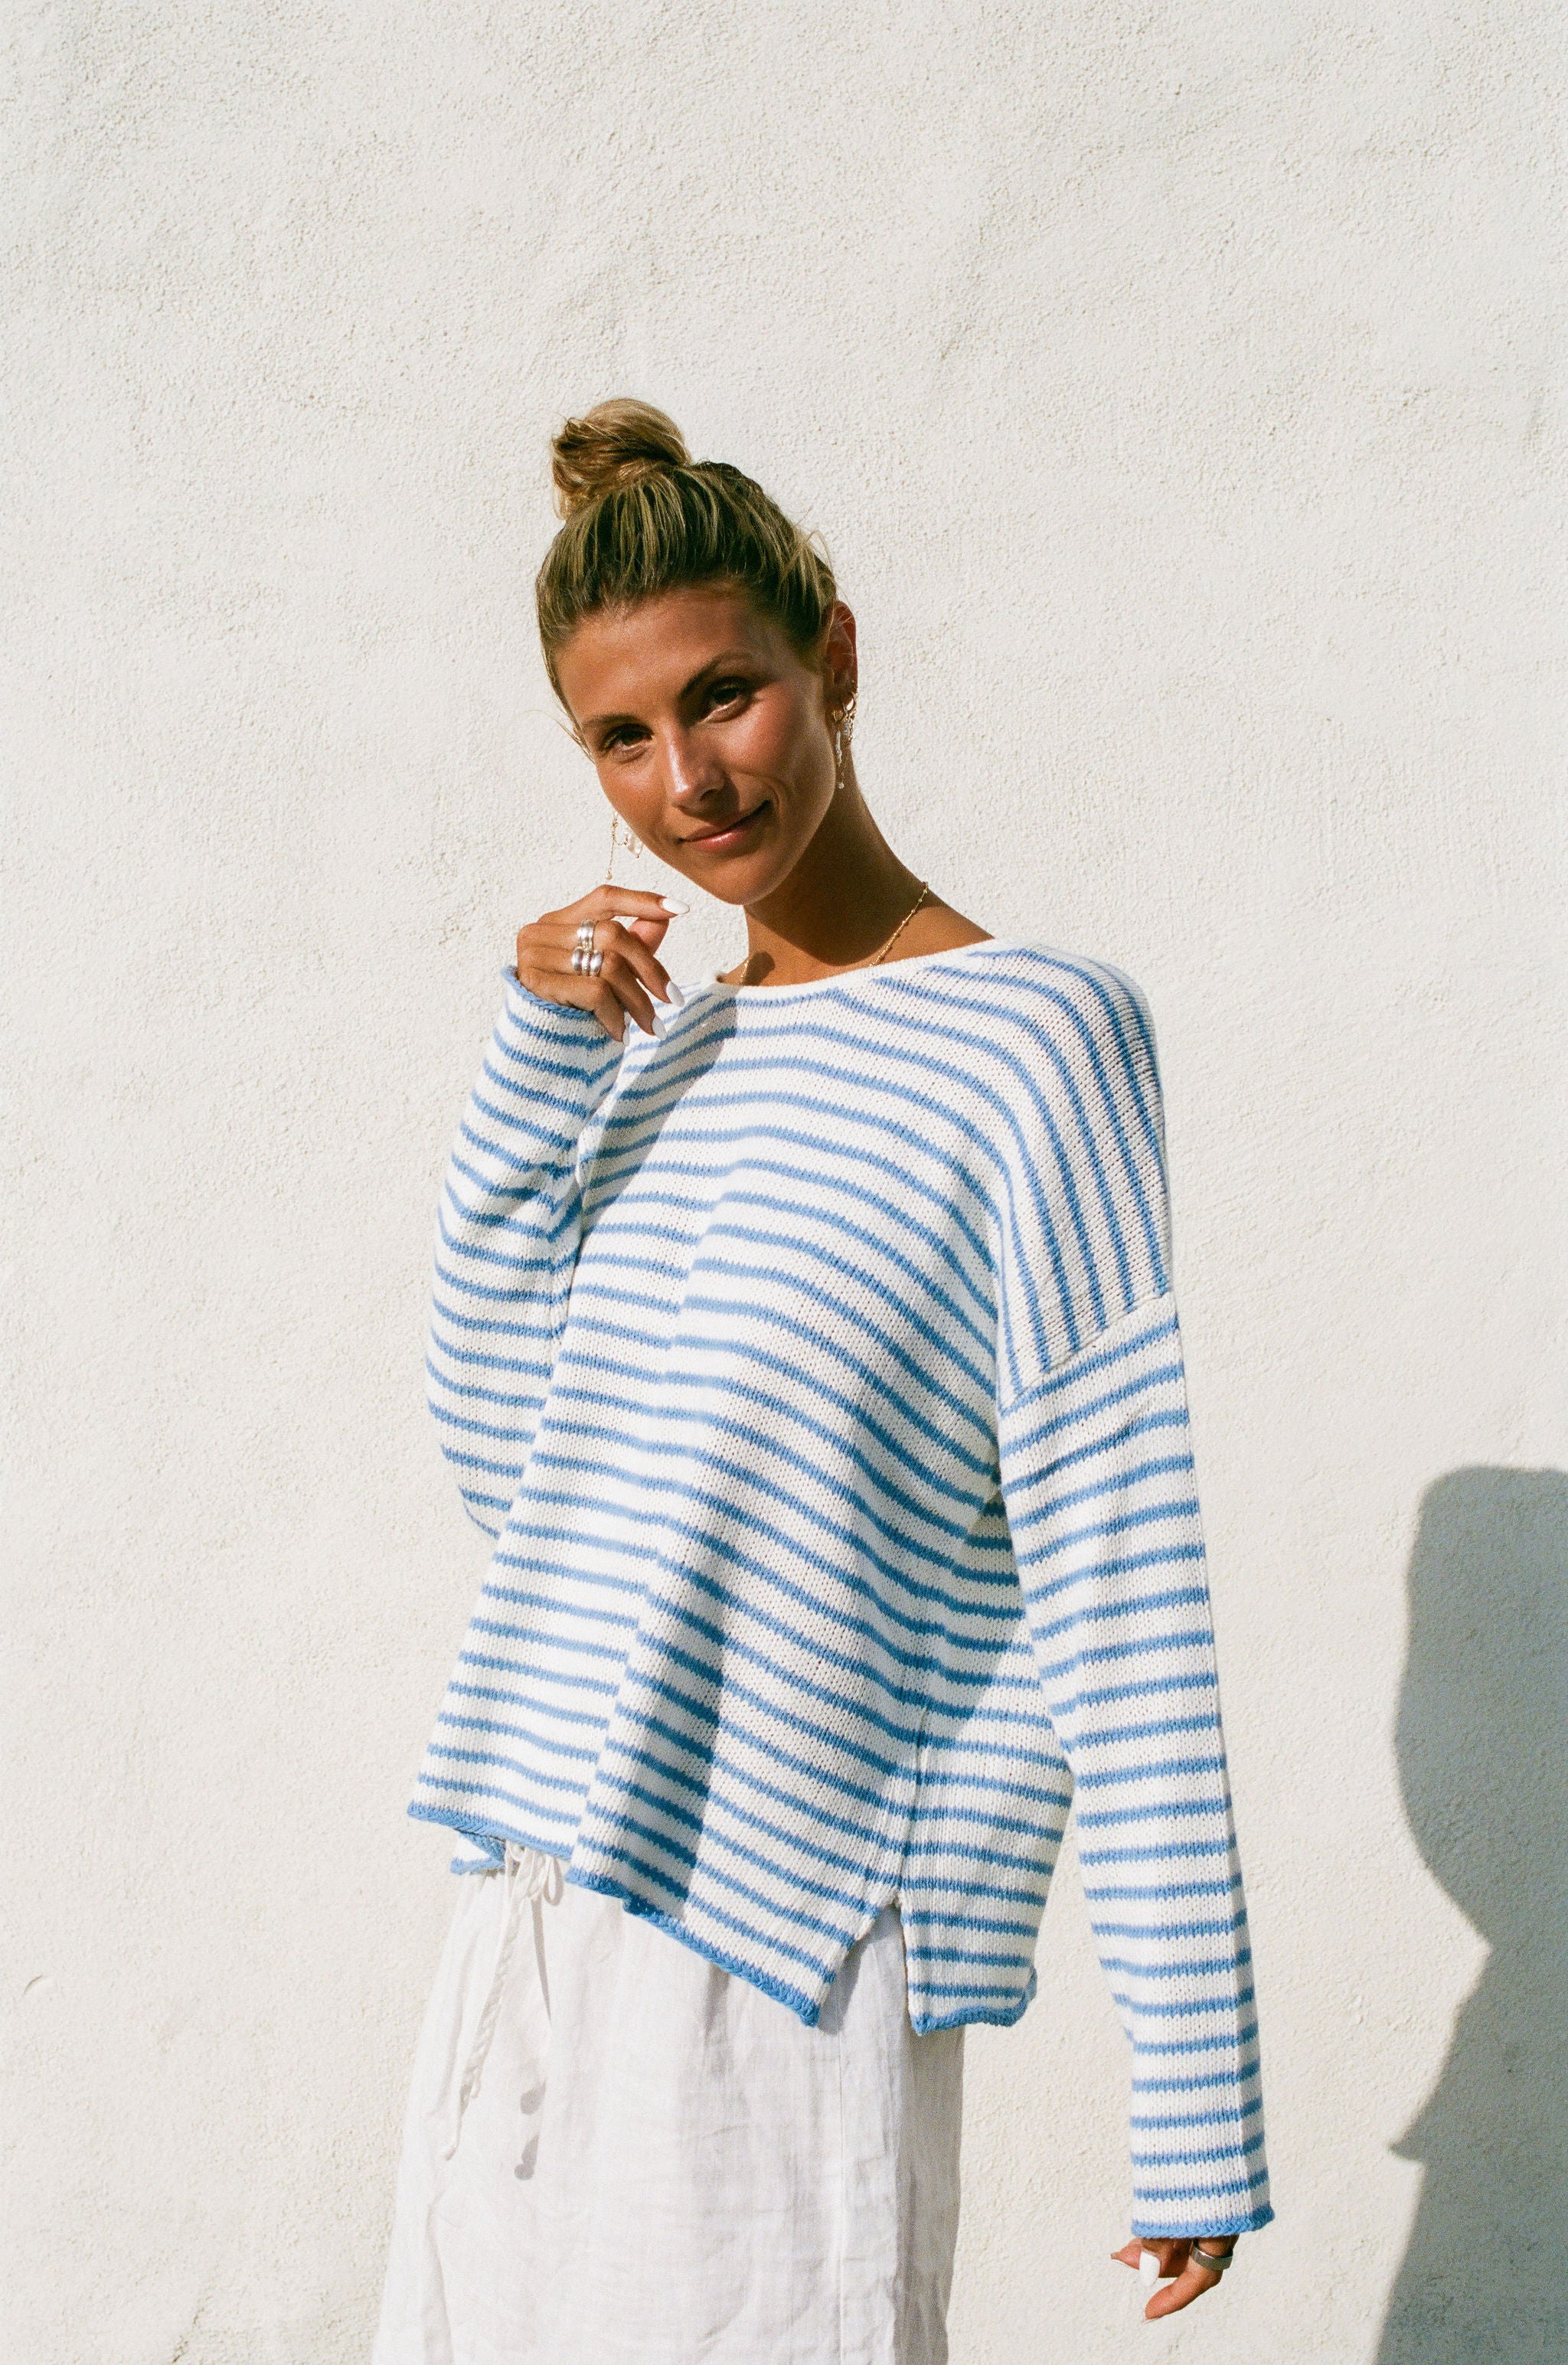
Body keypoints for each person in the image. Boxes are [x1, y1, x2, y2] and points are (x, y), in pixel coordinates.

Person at [371, 401, 1272, 2364]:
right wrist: (535, 1065)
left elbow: (1116, 1571)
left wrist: (1192, 2080)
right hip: (532, 1922)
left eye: (726, 696)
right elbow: (521, 1477)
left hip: (781, 1957)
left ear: (833, 656)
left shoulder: (1034, 1043)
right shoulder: (670, 1061)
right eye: (621, 737)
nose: (687, 780)